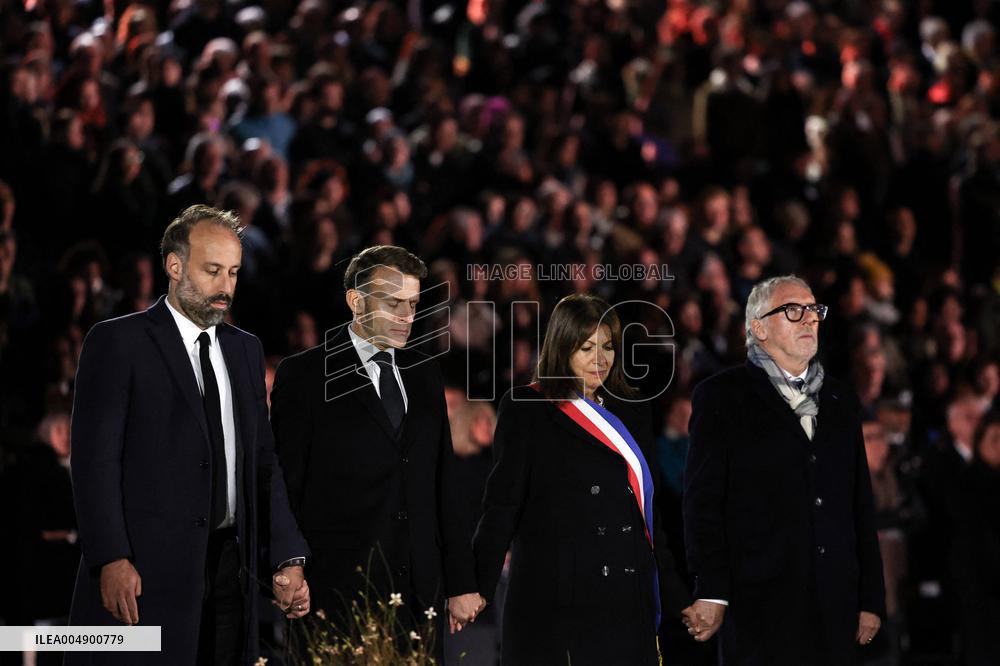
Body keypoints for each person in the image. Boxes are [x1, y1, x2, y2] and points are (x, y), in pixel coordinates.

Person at [67, 205, 311, 665]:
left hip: (227, 574)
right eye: (213, 270)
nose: (226, 287)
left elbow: (261, 461)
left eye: (234, 273)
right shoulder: (118, 342)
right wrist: (111, 558)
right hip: (144, 570)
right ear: (174, 266)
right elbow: (93, 462)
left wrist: (286, 554)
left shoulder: (245, 350)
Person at [270, 245, 484, 655]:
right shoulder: (306, 375)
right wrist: (286, 563)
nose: (407, 316)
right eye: (393, 303)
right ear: (356, 300)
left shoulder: (425, 373)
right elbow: (283, 484)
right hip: (336, 593)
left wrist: (462, 582)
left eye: (413, 303)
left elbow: (443, 482)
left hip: (419, 596)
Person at [473, 293, 691, 665]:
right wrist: (475, 586)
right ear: (562, 347)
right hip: (560, 596)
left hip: (626, 595)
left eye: (607, 346)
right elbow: (502, 504)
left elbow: (648, 519)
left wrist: (677, 597)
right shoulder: (528, 407)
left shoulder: (632, 408)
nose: (600, 359)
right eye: (586, 347)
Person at [683, 275, 886, 665]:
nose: (810, 319)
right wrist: (711, 590)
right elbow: (702, 504)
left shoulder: (841, 398)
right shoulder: (722, 396)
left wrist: (870, 597)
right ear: (757, 327)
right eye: (794, 310)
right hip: (759, 606)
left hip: (835, 604)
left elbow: (859, 503)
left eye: (814, 310)